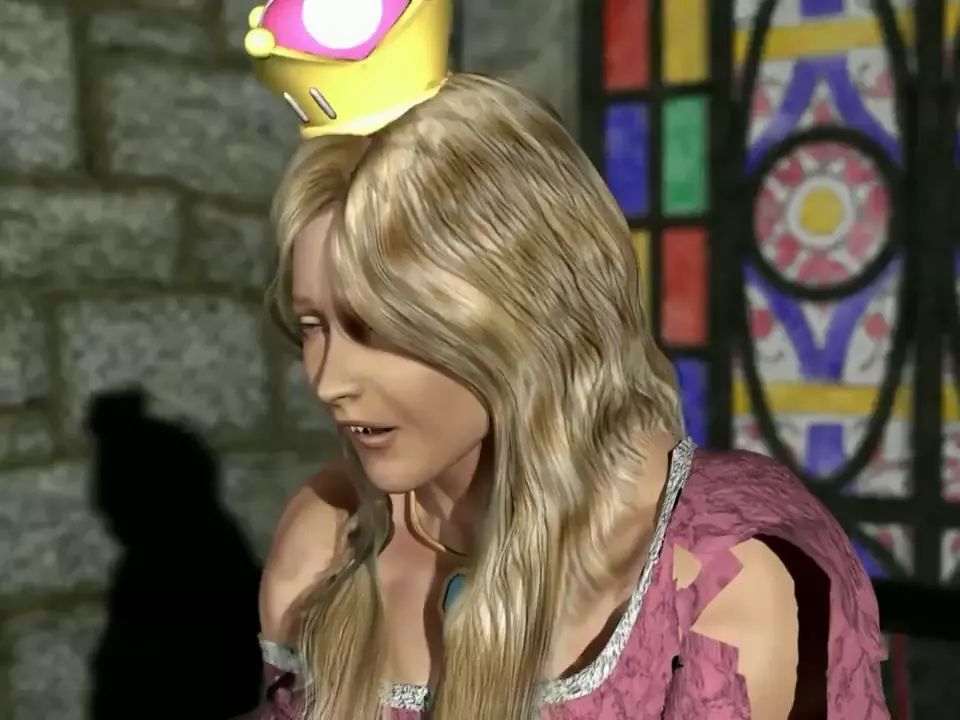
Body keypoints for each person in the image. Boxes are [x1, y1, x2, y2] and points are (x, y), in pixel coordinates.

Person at [243, 1, 889, 718]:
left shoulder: (723, 569)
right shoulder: (329, 541)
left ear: (519, 311)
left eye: (376, 328)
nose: (330, 380)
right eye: (314, 325)